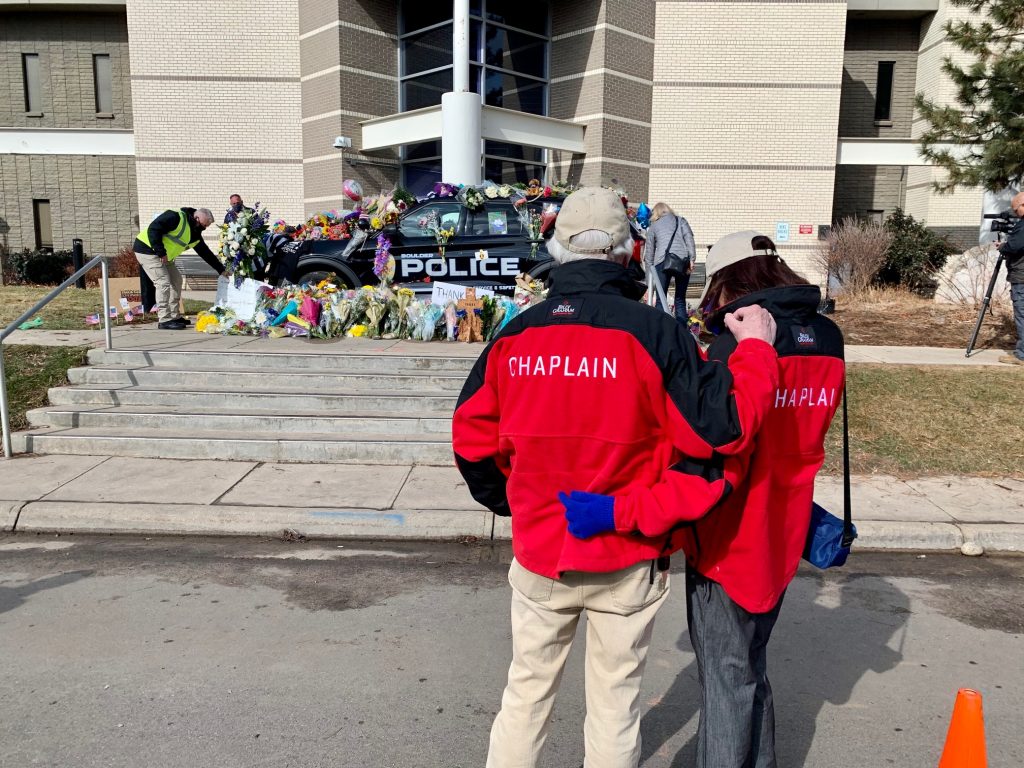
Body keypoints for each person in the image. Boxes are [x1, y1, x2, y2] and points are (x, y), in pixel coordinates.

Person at [452, 188, 781, 768]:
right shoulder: (655, 333)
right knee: (614, 705)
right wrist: (755, 352)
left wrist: (512, 502)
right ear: (631, 252)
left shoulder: (516, 335)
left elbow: (470, 436)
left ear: (556, 250)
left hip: (542, 552)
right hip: (627, 555)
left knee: (525, 696)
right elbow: (723, 432)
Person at [562, 231, 846, 768]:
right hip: (783, 530)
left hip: (729, 535)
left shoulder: (738, 345)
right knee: (750, 668)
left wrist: (623, 510)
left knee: (725, 679)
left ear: (727, 281)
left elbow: (714, 451)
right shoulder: (827, 336)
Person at [133, 207, 223, 330]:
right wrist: (161, 252)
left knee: (176, 280)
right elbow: (154, 229)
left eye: (206, 226)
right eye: (204, 225)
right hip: (147, 250)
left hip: (165, 256)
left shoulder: (194, 234)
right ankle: (164, 319)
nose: (204, 228)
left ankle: (174, 316)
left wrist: (221, 270)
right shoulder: (175, 217)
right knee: (162, 282)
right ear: (197, 218)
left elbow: (205, 253)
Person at [644, 202, 695, 321]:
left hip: (661, 261)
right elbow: (689, 240)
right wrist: (692, 259)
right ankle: (681, 330)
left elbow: (649, 254)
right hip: (683, 261)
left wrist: (649, 283)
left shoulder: (654, 226)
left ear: (655, 213)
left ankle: (661, 329)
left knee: (661, 299)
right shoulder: (681, 220)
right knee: (680, 298)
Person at [998, 191, 1024, 365]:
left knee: (1022, 314)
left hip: (1022, 276)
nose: (1015, 214)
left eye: (1016, 210)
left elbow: (1015, 246)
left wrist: (1002, 246)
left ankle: (1022, 355)